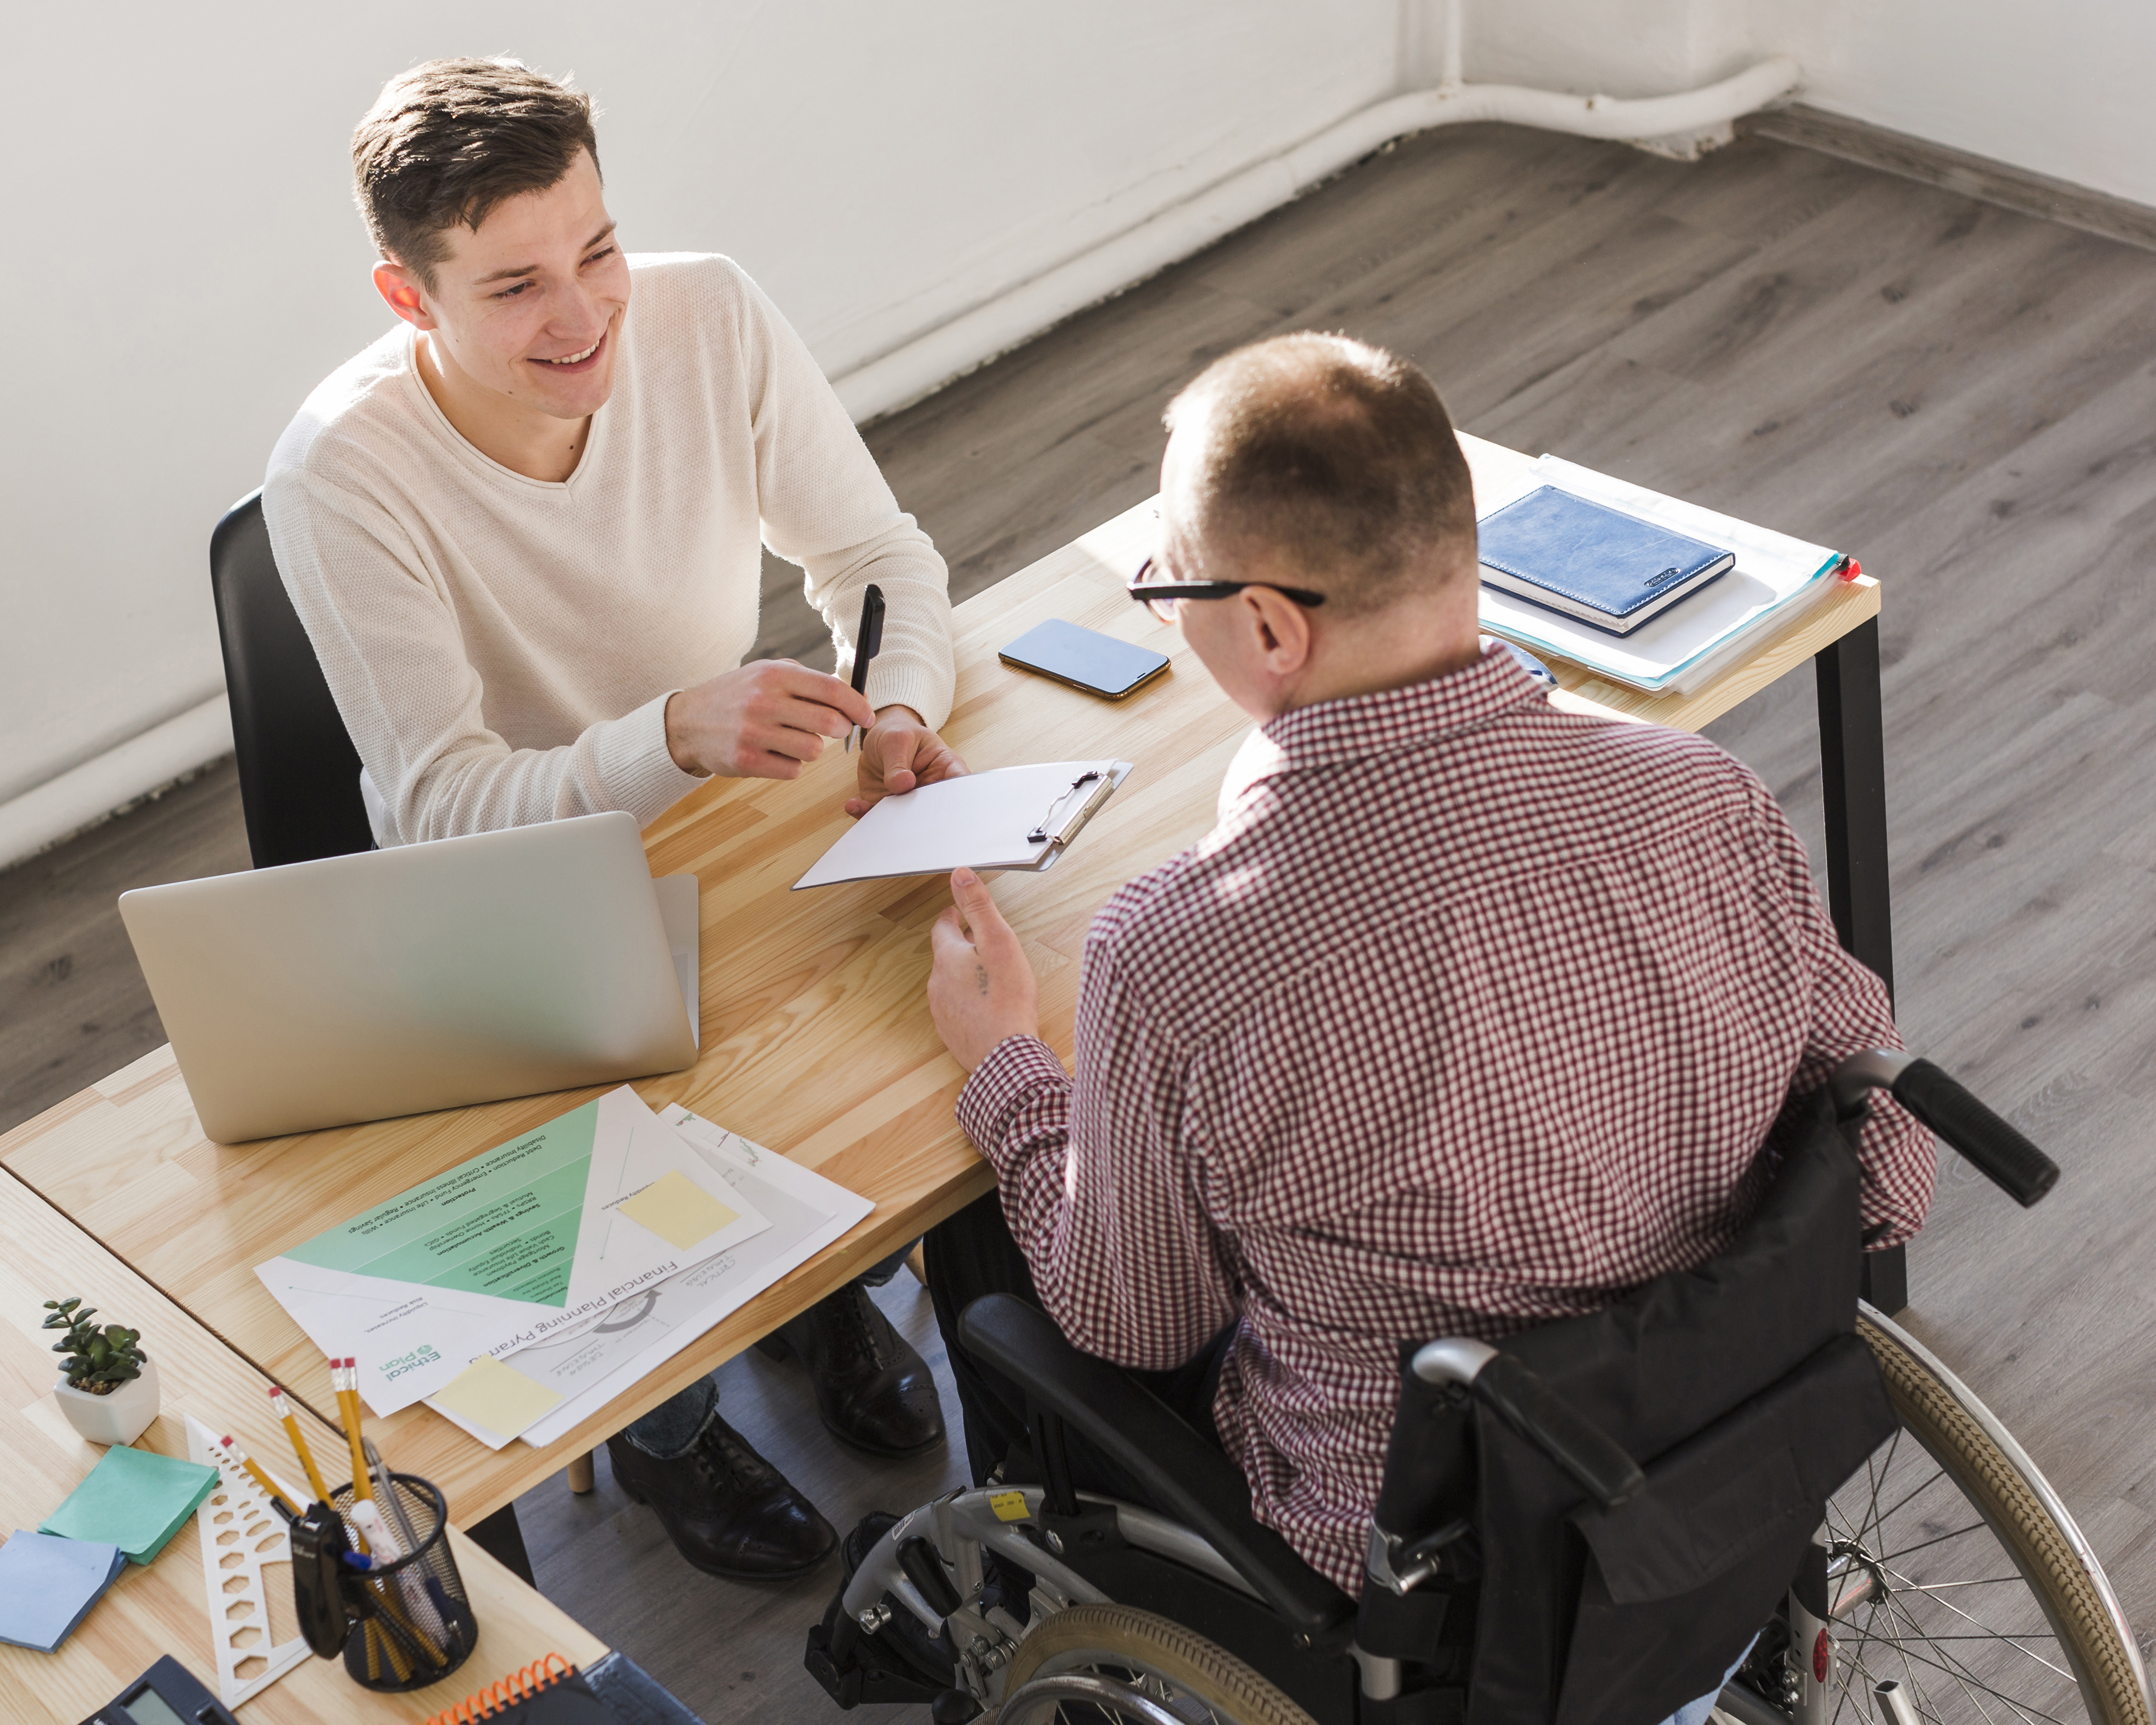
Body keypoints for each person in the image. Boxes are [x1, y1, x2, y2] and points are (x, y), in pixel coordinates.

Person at [916, 333, 1936, 1720]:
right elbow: (1886, 1170)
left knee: (1004, 1245)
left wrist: (1009, 1074)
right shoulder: (1702, 797)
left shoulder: (1179, 951)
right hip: (1730, 1480)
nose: (1167, 612)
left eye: (1167, 589)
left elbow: (1136, 1322)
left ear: (1271, 627)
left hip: (1439, 1570)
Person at [264, 58, 958, 1582]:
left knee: (882, 1024)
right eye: (514, 286)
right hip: (515, 907)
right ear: (407, 295)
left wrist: (900, 702)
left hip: (720, 825)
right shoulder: (340, 472)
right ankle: (667, 1433)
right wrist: (665, 737)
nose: (584, 315)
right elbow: (440, 802)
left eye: (598, 251)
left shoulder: (704, 312)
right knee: (667, 1103)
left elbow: (876, 553)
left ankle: (817, 1290)